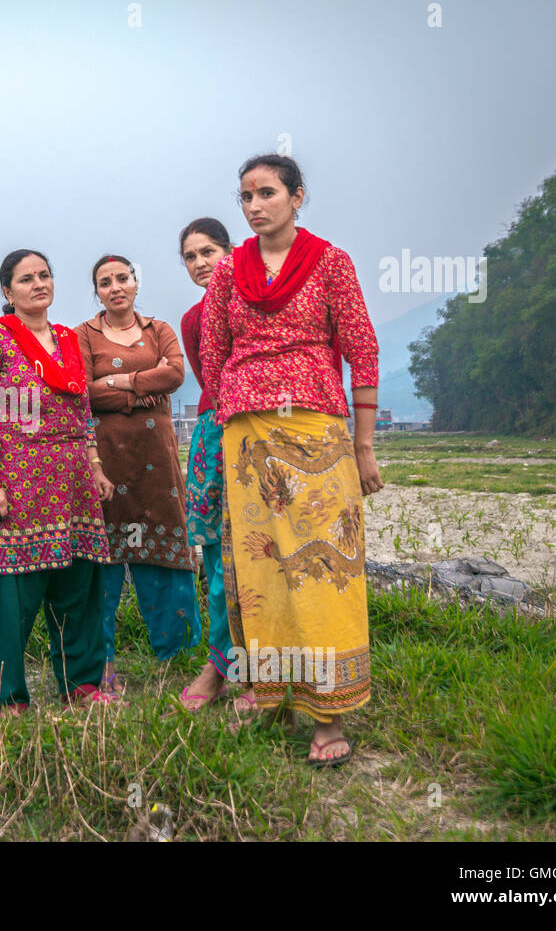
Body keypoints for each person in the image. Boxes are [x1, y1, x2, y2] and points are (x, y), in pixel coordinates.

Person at [201, 154, 382, 767]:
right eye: (245, 196)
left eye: (267, 193)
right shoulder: (227, 273)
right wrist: (235, 401)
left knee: (323, 568)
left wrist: (364, 446)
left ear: (297, 197)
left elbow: (362, 349)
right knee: (260, 571)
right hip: (247, 438)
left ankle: (328, 712)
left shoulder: (331, 262)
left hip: (317, 433)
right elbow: (215, 353)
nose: (254, 205)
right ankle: (269, 686)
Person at [0, 249, 118, 712]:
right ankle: (4, 691)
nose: (38, 284)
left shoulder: (69, 339)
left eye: (45, 275)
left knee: (80, 587)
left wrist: (94, 467)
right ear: (7, 292)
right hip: (19, 481)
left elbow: (82, 411)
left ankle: (82, 684)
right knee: (14, 596)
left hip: (72, 482)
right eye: (26, 278)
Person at [74, 255, 201, 694]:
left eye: (122, 279)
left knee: (165, 548)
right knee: (102, 561)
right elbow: (81, 392)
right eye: (105, 282)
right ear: (97, 291)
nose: (115, 287)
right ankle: (100, 659)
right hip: (103, 460)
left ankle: (179, 655)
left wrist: (118, 384)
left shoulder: (158, 330)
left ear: (135, 283)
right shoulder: (83, 336)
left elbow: (175, 374)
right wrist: (139, 388)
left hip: (156, 463)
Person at [176, 220, 236, 711]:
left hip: (263, 428)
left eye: (208, 251)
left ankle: (270, 668)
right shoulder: (193, 319)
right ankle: (220, 664)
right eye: (191, 256)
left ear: (230, 251)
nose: (200, 262)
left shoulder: (257, 301)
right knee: (216, 551)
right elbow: (210, 381)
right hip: (215, 431)